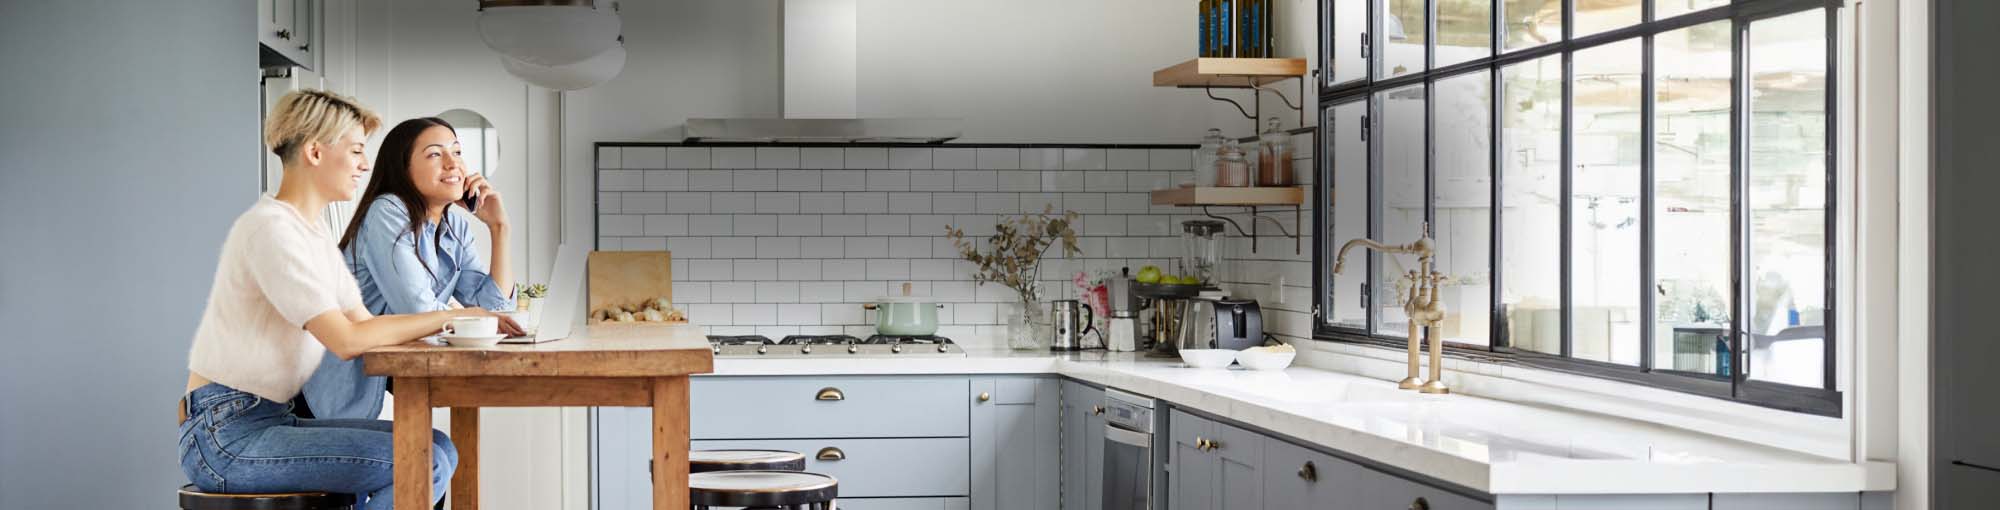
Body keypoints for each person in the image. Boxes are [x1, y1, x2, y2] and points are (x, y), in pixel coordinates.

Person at [178, 89, 487, 509]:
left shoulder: (312, 232)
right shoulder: (272, 231)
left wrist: (460, 317)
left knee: (438, 448)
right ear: (316, 153)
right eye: (357, 150)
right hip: (226, 434)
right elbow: (345, 341)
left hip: (268, 417)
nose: (364, 164)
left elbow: (364, 324)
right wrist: (454, 318)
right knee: (423, 460)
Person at [301, 117, 523, 420]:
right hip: (315, 388)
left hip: (363, 382)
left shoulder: (454, 223)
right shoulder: (387, 211)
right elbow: (419, 311)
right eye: (434, 154)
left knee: (434, 451)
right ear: (403, 169)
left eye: (456, 152)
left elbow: (494, 309)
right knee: (424, 453)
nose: (452, 163)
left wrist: (499, 228)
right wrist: (472, 319)